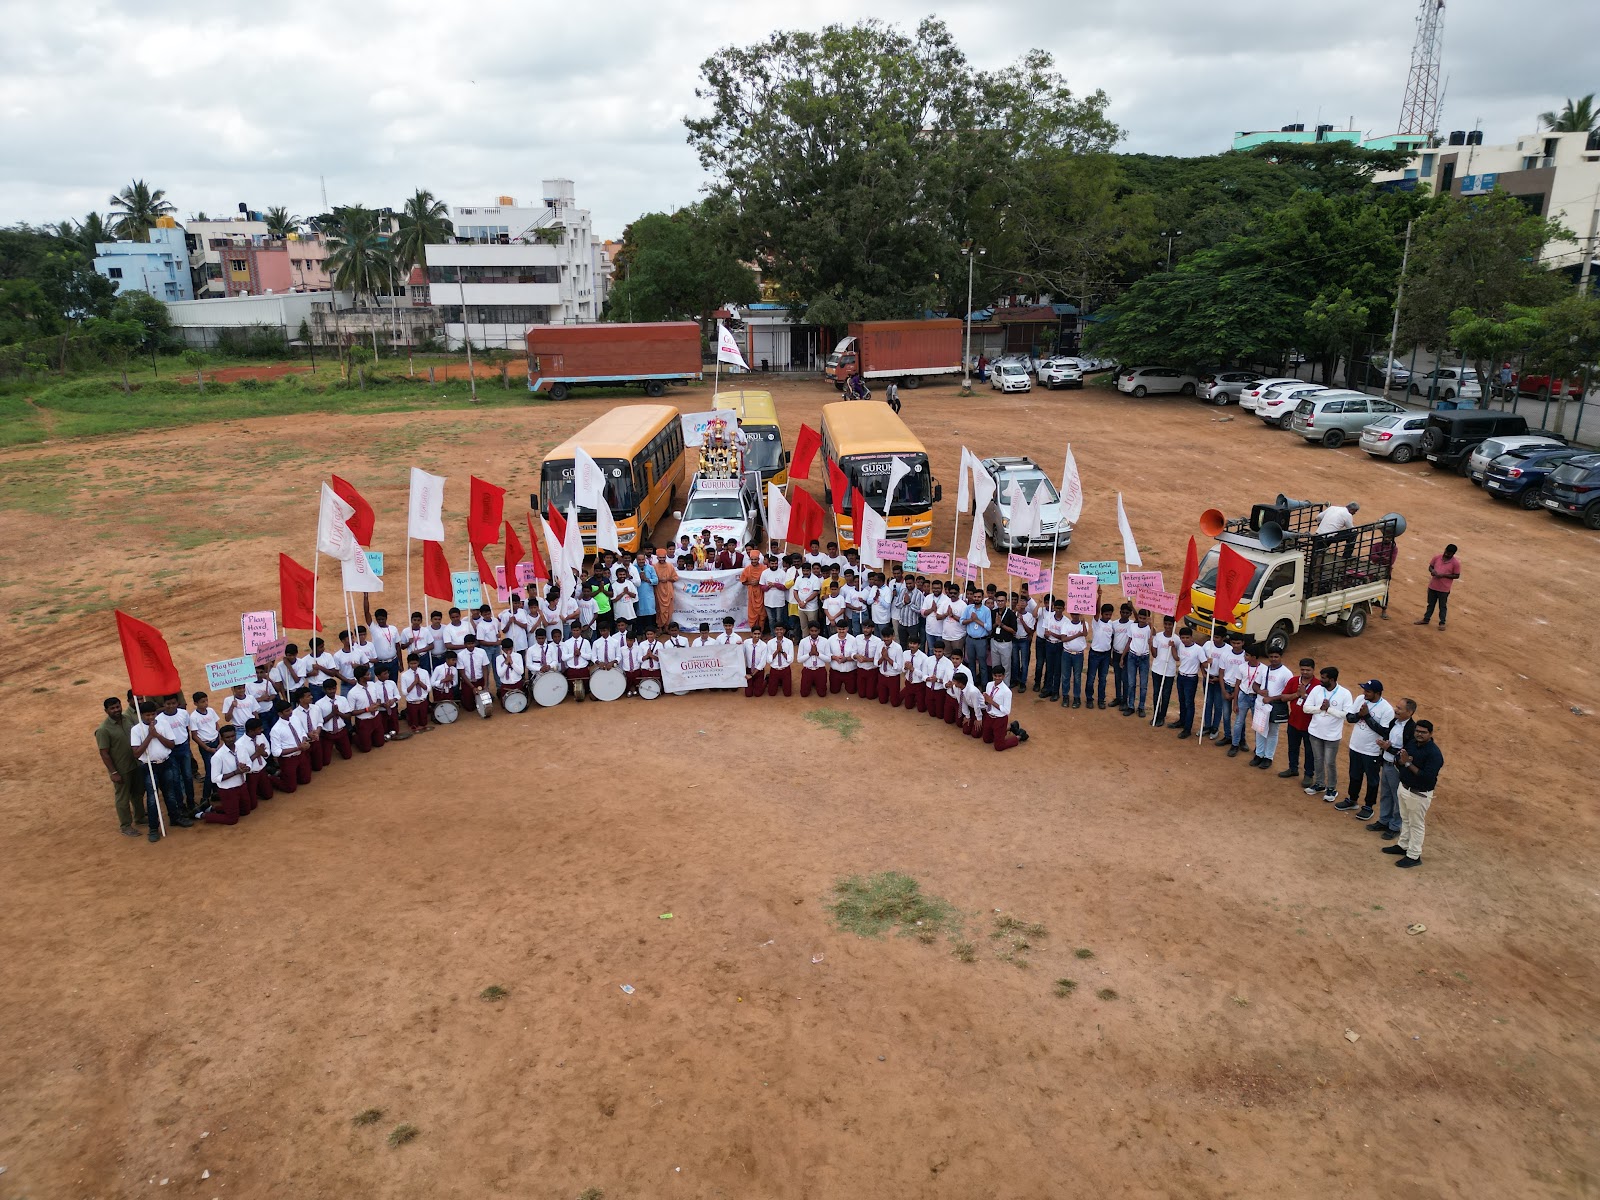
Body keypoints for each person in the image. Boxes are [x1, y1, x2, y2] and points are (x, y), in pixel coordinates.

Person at [1383, 720, 1444, 867]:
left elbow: (1426, 777)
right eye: (1417, 731)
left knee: (1416, 824)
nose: (1419, 734)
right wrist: (1402, 761)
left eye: (1423, 732)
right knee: (1405, 819)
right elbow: (1401, 758)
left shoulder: (1434, 754)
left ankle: (1414, 855)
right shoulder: (1411, 744)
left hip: (1419, 794)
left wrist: (1408, 763)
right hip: (1404, 788)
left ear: (1430, 734)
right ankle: (1403, 845)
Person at [131, 702, 189, 839]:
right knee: (152, 798)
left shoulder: (163, 724)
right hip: (149, 766)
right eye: (147, 715)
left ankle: (174, 818)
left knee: (170, 793)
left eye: (152, 714)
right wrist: (150, 736)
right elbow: (136, 753)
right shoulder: (136, 730)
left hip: (166, 763)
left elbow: (171, 744)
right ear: (142, 715)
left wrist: (157, 735)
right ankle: (153, 828)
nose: (150, 717)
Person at [1337, 680, 1395, 819]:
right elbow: (1350, 718)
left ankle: (1369, 806)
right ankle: (1352, 800)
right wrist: (1359, 715)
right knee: (1354, 775)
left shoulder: (1387, 709)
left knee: (1372, 780)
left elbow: (1384, 731)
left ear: (1377, 693)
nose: (1364, 693)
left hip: (1372, 751)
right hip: (1356, 746)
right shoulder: (1360, 699)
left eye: (1368, 691)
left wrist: (1367, 716)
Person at [96, 696, 144, 837]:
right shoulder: (103, 730)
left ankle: (140, 817)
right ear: (106, 711)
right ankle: (126, 826)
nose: (116, 710)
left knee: (138, 793)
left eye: (117, 706)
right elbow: (104, 753)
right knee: (122, 798)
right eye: (112, 708)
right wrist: (114, 772)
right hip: (121, 769)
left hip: (135, 764)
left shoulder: (127, 719)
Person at [1370, 697, 1417, 840]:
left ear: (1409, 712)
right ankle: (1384, 820)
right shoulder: (1393, 722)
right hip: (1386, 763)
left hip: (1397, 768)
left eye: (1400, 708)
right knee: (1385, 794)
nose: (1395, 710)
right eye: (1396, 707)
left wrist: (1388, 748)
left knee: (1397, 798)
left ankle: (1395, 826)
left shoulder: (1411, 729)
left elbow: (1408, 752)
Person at [1303, 666, 1353, 801]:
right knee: (1318, 760)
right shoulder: (1317, 689)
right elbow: (1306, 708)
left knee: (1330, 762)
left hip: (1332, 736)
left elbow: (1347, 715)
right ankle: (1320, 784)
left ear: (1331, 679)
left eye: (1323, 678)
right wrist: (1320, 709)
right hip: (1315, 732)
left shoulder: (1345, 694)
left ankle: (1331, 788)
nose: (1320, 680)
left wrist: (1329, 709)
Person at [1251, 649, 1295, 769]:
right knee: (1259, 729)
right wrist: (1259, 691)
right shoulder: (1264, 670)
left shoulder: (1286, 673)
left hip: (1275, 706)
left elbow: (1290, 694)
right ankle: (1259, 754)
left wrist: (1272, 698)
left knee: (1272, 732)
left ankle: (1268, 757)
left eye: (1276, 656)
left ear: (1280, 657)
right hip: (1261, 705)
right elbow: (1255, 684)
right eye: (1271, 656)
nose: (1273, 659)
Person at [1278, 657, 1318, 783]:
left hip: (1310, 725)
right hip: (1293, 722)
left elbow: (1319, 705)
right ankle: (1293, 768)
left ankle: (1309, 774)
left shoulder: (1318, 685)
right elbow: (1283, 697)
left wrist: (1304, 696)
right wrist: (1297, 694)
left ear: (1313, 670)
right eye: (1302, 669)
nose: (1305, 672)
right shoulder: (1294, 680)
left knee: (1309, 751)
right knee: (1293, 747)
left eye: (1308, 670)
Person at [199, 725, 248, 826]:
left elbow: (248, 762)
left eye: (233, 736)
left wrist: (247, 768)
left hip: (242, 785)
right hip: (228, 790)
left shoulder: (241, 747)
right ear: (222, 738)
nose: (231, 739)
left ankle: (213, 808)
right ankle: (202, 815)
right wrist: (235, 772)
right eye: (227, 737)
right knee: (232, 820)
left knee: (246, 811)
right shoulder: (218, 756)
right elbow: (214, 778)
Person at [188, 691, 221, 810]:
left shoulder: (211, 711)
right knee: (210, 770)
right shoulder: (193, 717)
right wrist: (207, 748)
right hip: (206, 746)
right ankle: (205, 797)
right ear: (195, 703)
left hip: (216, 742)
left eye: (206, 700)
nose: (205, 703)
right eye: (202, 702)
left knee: (218, 767)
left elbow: (217, 725)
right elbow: (195, 736)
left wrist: (220, 741)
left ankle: (216, 792)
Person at [1416, 544, 1461, 630]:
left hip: (1444, 589)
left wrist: (1443, 575)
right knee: (1430, 604)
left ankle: (1442, 623)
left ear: (1453, 554)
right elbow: (1430, 567)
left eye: (1449, 553)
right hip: (1433, 586)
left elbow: (1457, 575)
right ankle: (1426, 619)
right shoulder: (1437, 557)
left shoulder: (1455, 563)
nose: (1447, 554)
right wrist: (1432, 571)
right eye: (1446, 552)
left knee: (1442, 606)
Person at [267, 699, 308, 792]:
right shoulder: (275, 730)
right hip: (288, 760)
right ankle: (271, 778)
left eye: (290, 709)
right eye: (287, 711)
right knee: (290, 788)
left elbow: (302, 732)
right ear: (280, 714)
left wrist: (304, 742)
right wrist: (298, 748)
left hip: (301, 754)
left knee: (305, 780)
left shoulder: (295, 718)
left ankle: (284, 774)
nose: (291, 712)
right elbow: (276, 752)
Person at [982, 665, 1026, 750]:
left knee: (999, 746)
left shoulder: (1006, 691)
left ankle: (1019, 736)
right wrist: (985, 700)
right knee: (987, 740)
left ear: (1003, 676)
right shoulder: (989, 685)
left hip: (1000, 719)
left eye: (1000, 676)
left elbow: (1006, 710)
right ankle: (1009, 727)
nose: (997, 678)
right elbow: (987, 701)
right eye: (995, 676)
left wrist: (991, 702)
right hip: (989, 716)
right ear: (992, 675)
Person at [1173, 626, 1203, 739]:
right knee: (1182, 700)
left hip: (1191, 679)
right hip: (1181, 676)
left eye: (1187, 637)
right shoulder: (1181, 646)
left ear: (1191, 637)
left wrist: (1208, 662)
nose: (1185, 640)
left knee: (1189, 703)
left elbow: (1203, 663)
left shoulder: (1198, 649)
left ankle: (1187, 728)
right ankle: (1182, 721)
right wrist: (1172, 648)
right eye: (1183, 638)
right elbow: (1177, 658)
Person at [1149, 616, 1178, 727]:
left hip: (1169, 672)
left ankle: (1162, 716)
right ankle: (1155, 715)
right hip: (1157, 670)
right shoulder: (1158, 637)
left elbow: (1177, 658)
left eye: (1170, 625)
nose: (1167, 627)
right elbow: (1155, 654)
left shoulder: (1177, 639)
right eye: (1165, 624)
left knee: (1166, 695)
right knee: (1156, 694)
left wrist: (1173, 646)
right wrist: (1151, 644)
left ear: (1173, 625)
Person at [1122, 609, 1152, 718]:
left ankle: (1141, 707)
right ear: (1138, 617)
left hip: (1144, 657)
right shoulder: (1133, 627)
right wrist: (1122, 657)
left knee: (1143, 685)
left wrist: (1151, 622)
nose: (1142, 620)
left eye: (1145, 618)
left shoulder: (1150, 628)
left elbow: (1153, 633)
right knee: (1131, 683)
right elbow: (1129, 641)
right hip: (1132, 656)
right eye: (1140, 618)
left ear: (1147, 618)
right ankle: (1131, 706)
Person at [1086, 603, 1116, 709]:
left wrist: (1110, 655)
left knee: (1103, 679)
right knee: (1091, 678)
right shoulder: (1096, 622)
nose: (1108, 617)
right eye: (1106, 614)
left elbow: (1111, 640)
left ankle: (1101, 700)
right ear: (1102, 614)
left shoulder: (1111, 624)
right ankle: (1089, 699)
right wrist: (1099, 596)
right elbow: (1096, 610)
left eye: (1110, 615)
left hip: (1106, 655)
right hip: (1095, 654)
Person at [400, 652, 433, 732]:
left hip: (422, 701)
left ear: (418, 662)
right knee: (413, 725)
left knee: (423, 723)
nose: (413, 665)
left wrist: (420, 683)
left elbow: (428, 689)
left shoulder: (424, 672)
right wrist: (414, 683)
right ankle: (407, 715)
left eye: (415, 663)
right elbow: (404, 692)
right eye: (411, 663)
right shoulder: (404, 675)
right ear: (408, 663)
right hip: (412, 703)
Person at [1369, 531, 1398, 619]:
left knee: (1385, 591)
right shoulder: (1377, 545)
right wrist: (1382, 558)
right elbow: (1372, 556)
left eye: (1389, 538)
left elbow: (1391, 561)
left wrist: (1378, 558)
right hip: (1374, 570)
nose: (1387, 539)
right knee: (1370, 587)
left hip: (1385, 572)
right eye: (1386, 537)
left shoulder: (1394, 548)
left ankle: (1384, 610)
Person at [962, 593, 992, 673]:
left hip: (981, 641)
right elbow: (962, 621)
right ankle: (973, 682)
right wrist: (971, 620)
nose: (976, 598)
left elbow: (989, 627)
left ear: (982, 598)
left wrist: (976, 620)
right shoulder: (968, 608)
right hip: (970, 639)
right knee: (971, 663)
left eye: (979, 597)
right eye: (975, 596)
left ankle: (984, 684)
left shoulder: (986, 610)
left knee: (982, 663)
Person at [825, 621, 856, 694]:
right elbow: (827, 654)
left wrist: (846, 659)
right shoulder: (830, 640)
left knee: (852, 691)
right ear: (836, 629)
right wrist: (834, 657)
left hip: (850, 671)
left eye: (843, 629)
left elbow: (856, 655)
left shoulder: (853, 640)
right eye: (839, 629)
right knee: (834, 691)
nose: (841, 631)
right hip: (836, 671)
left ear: (847, 629)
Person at [766, 627, 795, 696]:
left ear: (784, 630)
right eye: (777, 630)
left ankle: (782, 682)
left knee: (787, 694)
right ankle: (767, 680)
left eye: (781, 630)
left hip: (785, 669)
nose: (779, 631)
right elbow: (769, 660)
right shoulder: (770, 643)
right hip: (774, 669)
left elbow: (790, 660)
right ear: (774, 631)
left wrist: (782, 651)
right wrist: (777, 651)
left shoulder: (789, 642)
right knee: (771, 693)